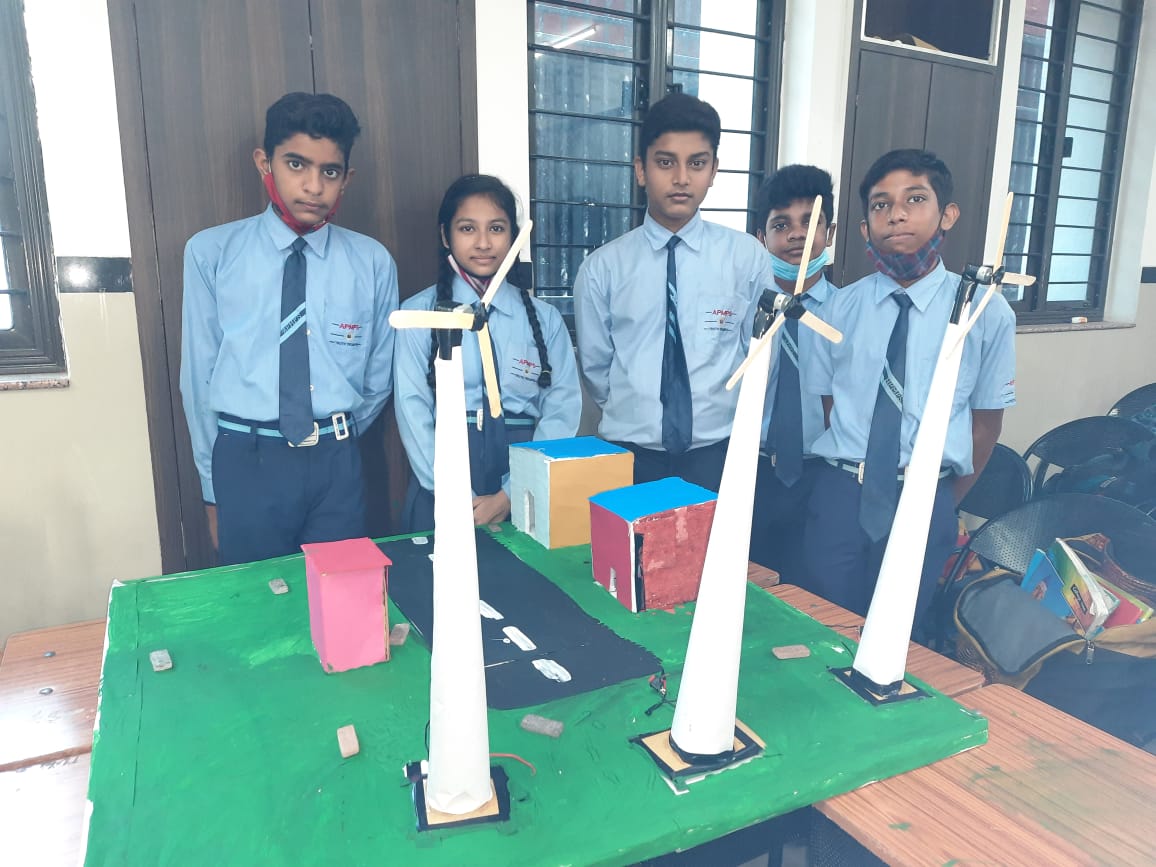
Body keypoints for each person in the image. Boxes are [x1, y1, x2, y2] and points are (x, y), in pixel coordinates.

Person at [803, 148, 1016, 639]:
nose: (896, 214)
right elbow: (832, 407)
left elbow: (986, 423)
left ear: (947, 215)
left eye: (915, 199)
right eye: (881, 205)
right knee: (823, 629)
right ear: (864, 228)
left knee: (895, 640)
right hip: (840, 496)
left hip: (926, 496)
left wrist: (938, 498)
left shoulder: (984, 312)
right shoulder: (837, 311)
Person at [180, 92, 398, 565]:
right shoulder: (211, 253)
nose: (314, 186)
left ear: (347, 179)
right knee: (258, 595)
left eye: (330, 172)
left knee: (339, 590)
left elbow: (379, 373)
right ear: (265, 162)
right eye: (296, 164)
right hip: (246, 456)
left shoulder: (372, 262)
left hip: (336, 461)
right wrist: (212, 487)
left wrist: (336, 433)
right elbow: (198, 375)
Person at [573, 92, 774, 493]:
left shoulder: (746, 258)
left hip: (717, 454)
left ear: (714, 170)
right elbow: (597, 370)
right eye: (666, 163)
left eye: (696, 163)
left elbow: (760, 359)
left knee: (721, 540)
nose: (681, 178)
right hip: (630, 454)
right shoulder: (602, 268)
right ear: (641, 169)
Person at [394, 174, 580, 532]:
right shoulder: (418, 315)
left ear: (514, 236)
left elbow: (562, 412)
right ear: (445, 236)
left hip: (526, 479)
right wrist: (454, 494)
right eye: (467, 229)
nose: (483, 243)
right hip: (440, 479)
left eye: (496, 228)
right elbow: (412, 410)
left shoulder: (545, 320)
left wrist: (513, 492)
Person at [749, 165, 839, 582]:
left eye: (810, 222)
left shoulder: (849, 313)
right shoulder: (742, 311)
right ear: (761, 238)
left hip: (822, 475)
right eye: (781, 225)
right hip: (751, 470)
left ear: (830, 233)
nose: (797, 235)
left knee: (812, 589)